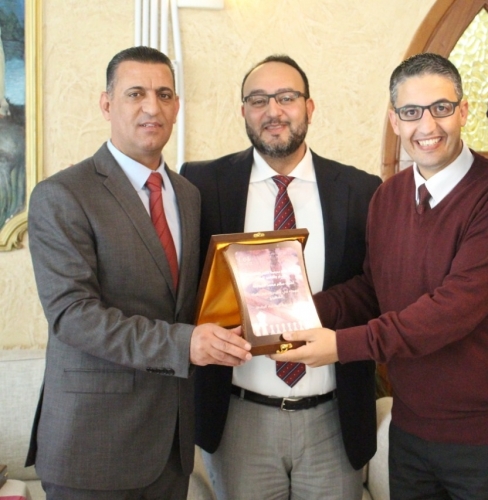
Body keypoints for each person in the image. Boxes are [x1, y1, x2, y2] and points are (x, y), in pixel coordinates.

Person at [26, 46, 251, 500]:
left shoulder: (187, 194)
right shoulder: (63, 194)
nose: (152, 107)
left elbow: (186, 301)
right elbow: (73, 315)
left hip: (170, 446)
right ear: (107, 104)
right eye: (135, 94)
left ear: (177, 106)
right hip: (93, 445)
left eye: (164, 94)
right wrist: (186, 343)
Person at [271, 53, 488, 499]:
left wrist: (341, 346)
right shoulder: (387, 197)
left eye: (441, 108)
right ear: (394, 121)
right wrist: (293, 311)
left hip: (479, 439)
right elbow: (372, 289)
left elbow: (449, 312)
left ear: (464, 111)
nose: (427, 125)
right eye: (411, 112)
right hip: (409, 434)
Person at [180, 54, 382, 500]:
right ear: (243, 112)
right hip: (238, 417)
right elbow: (182, 283)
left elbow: (375, 289)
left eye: (286, 97)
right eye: (258, 100)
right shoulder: (201, 183)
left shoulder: (362, 190)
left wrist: (301, 311)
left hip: (334, 417)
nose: (273, 111)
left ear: (309, 107)